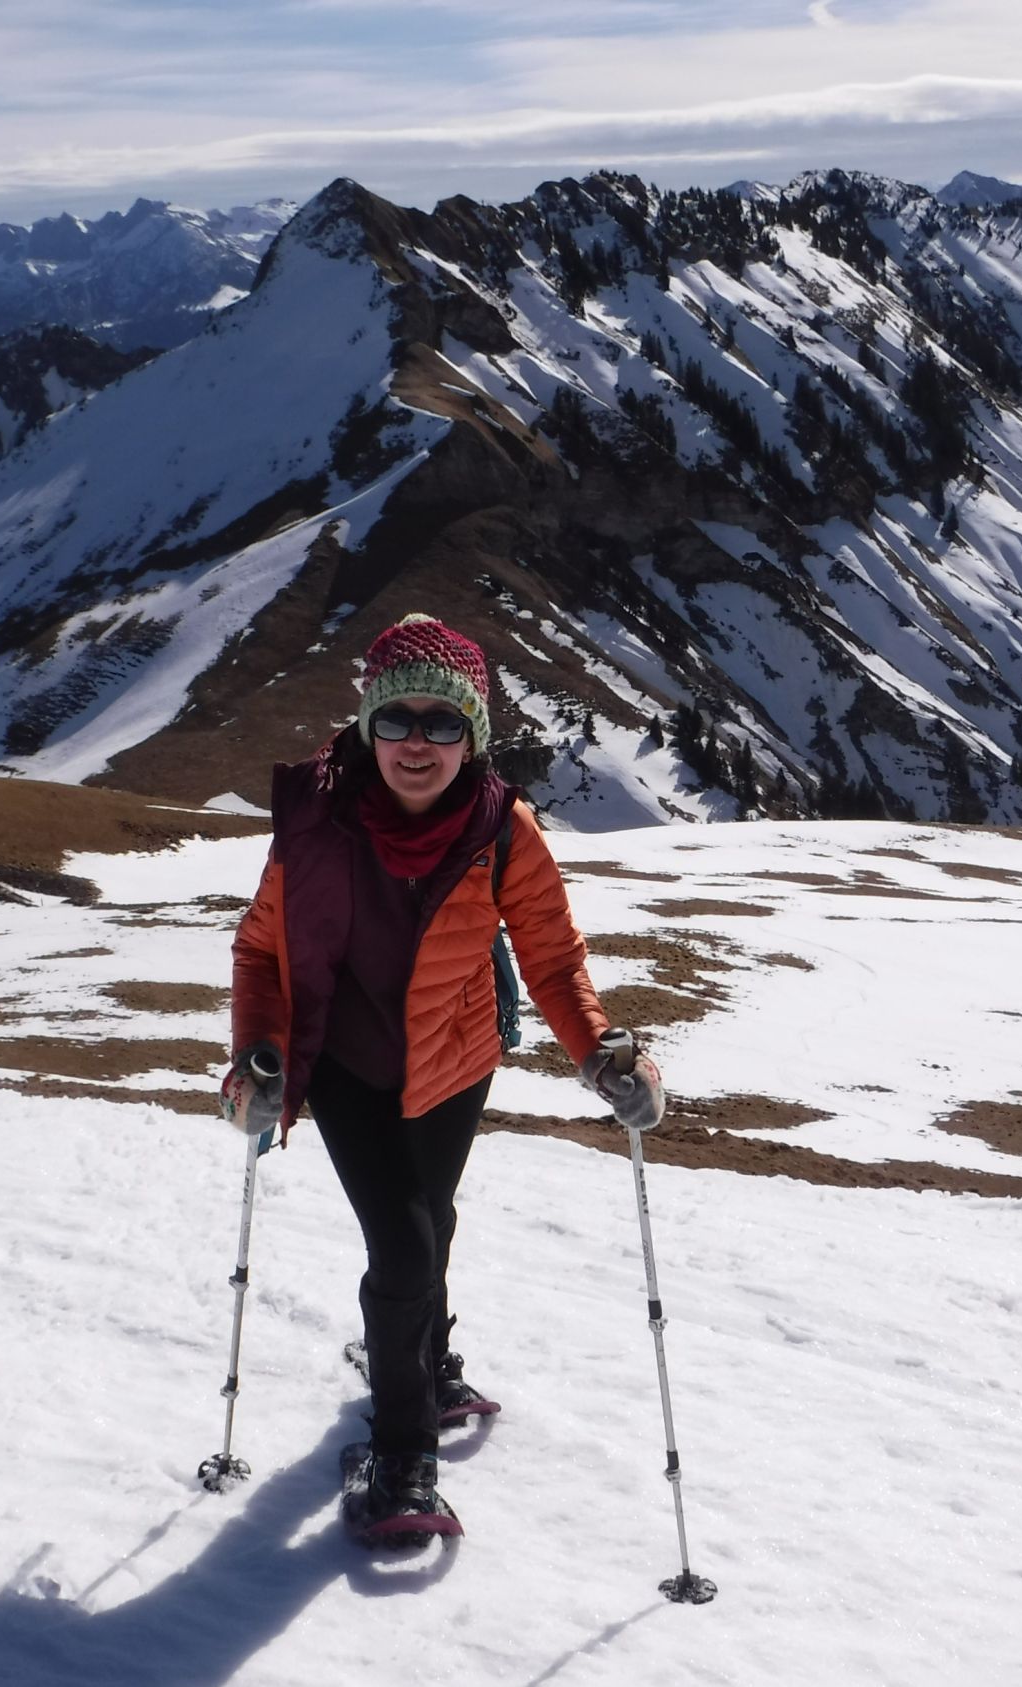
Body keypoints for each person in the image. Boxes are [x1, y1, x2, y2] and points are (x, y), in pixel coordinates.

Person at [223, 611, 666, 1542]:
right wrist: (257, 1056)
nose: (416, 744)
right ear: (367, 725)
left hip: (457, 1060)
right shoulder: (317, 823)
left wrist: (601, 1052)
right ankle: (403, 1459)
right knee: (405, 1243)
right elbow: (262, 949)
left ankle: (424, 1357)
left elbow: (553, 959)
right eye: (396, 719)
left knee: (431, 1220)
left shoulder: (503, 829)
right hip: (346, 1064)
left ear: (474, 736)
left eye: (441, 722)